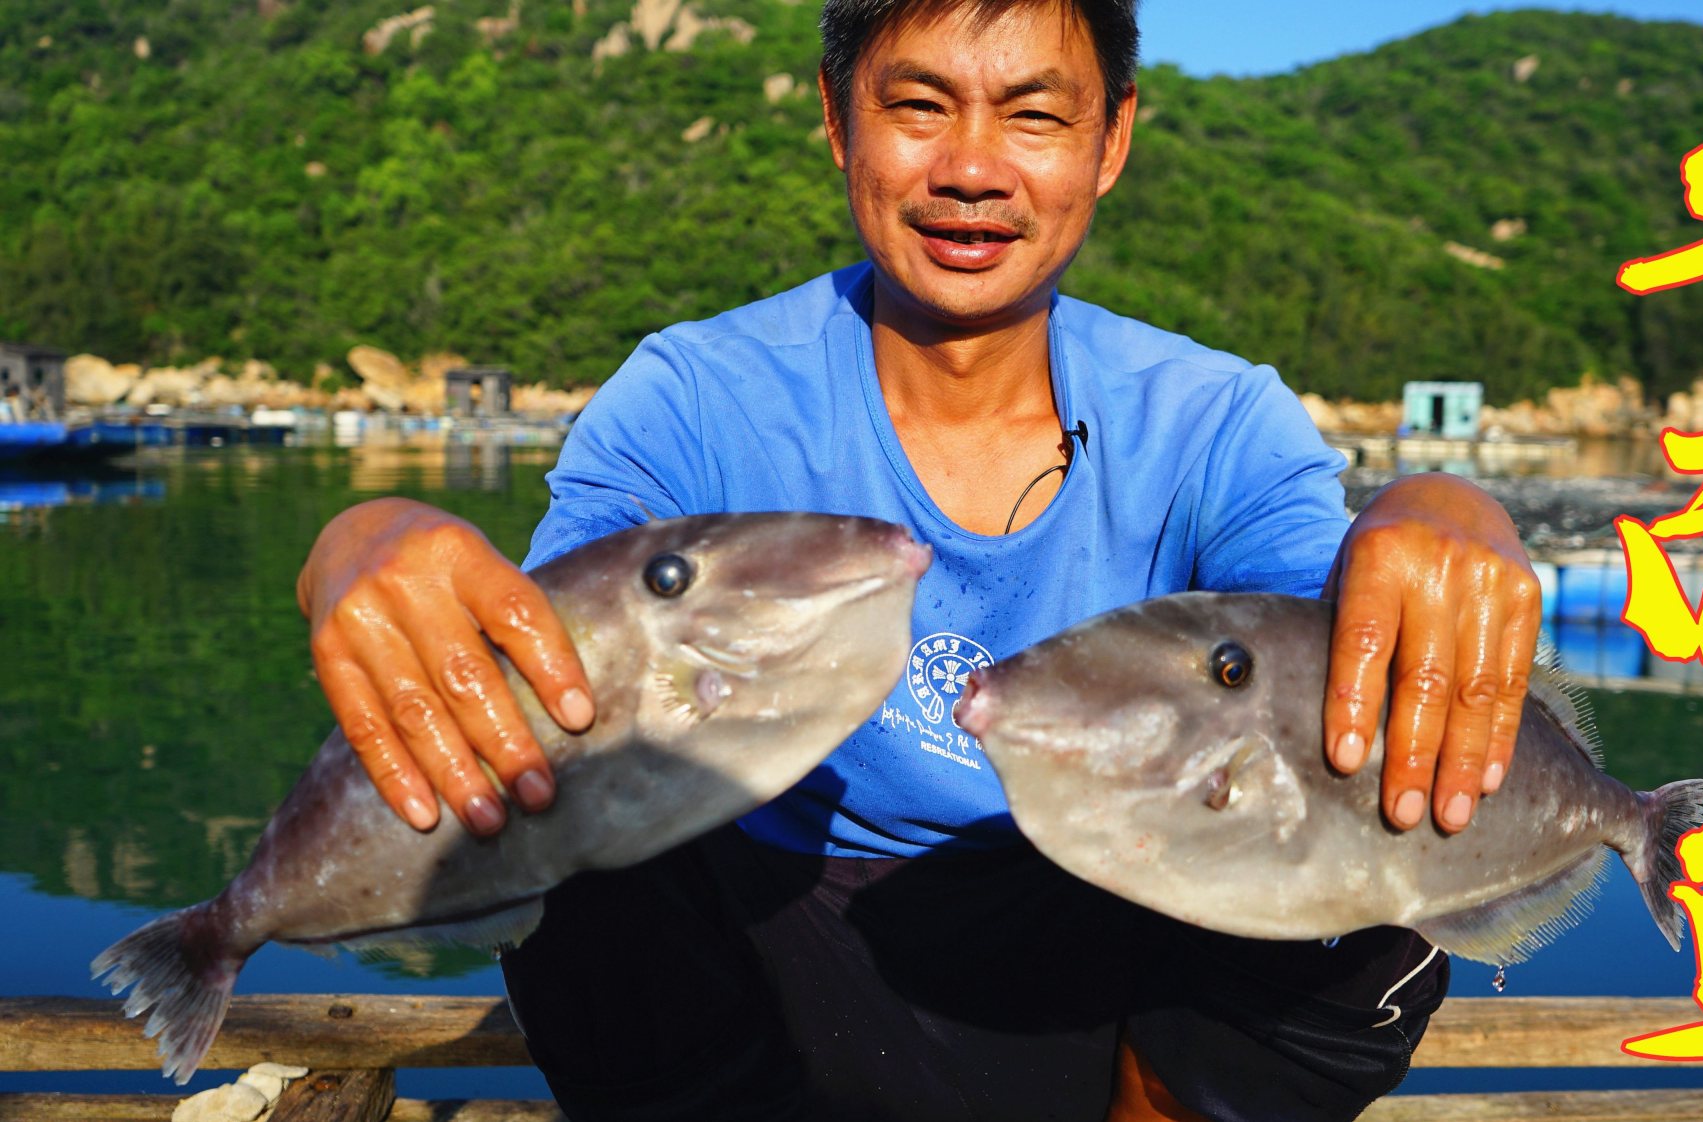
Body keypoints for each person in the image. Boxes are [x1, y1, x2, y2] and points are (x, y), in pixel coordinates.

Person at [295, 1, 1542, 1118]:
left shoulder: (1216, 418)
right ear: (839, 126)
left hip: (1113, 935)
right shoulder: (692, 392)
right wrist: (359, 543)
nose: (971, 169)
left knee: (1390, 868)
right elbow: (546, 650)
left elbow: (1322, 649)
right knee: (576, 824)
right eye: (918, 105)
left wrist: (1436, 509)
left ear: (1109, 143)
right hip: (774, 946)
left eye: (1034, 115)